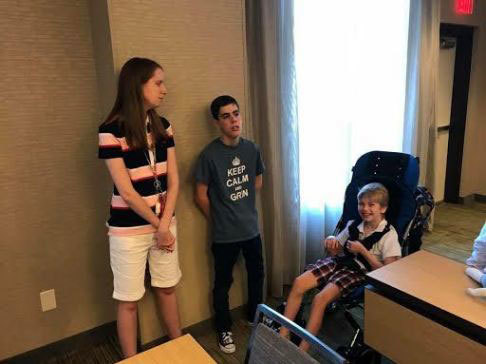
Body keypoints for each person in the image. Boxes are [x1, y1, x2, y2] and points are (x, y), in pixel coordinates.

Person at [98, 57, 182, 358]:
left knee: (167, 287)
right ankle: (131, 359)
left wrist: (164, 224)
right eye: (158, 83)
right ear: (137, 85)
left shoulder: (163, 126)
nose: (164, 90)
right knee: (128, 300)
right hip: (128, 229)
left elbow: (174, 182)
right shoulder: (111, 130)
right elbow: (127, 192)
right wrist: (159, 225)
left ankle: (179, 346)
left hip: (164, 222)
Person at [280, 182, 401, 351]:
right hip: (340, 262)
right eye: (361, 204)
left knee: (319, 299)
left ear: (383, 208)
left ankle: (303, 349)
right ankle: (283, 333)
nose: (365, 208)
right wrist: (330, 240)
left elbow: (389, 273)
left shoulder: (389, 235)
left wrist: (364, 251)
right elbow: (335, 249)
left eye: (371, 205)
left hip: (358, 272)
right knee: (299, 282)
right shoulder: (353, 224)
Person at [194, 95, 265, 354]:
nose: (234, 120)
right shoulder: (209, 155)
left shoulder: (252, 149)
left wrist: (242, 207)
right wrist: (220, 217)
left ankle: (254, 316)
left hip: (251, 229)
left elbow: (257, 181)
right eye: (226, 116)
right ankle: (224, 328)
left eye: (236, 113)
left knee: (257, 274)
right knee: (223, 283)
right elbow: (200, 195)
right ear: (217, 122)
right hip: (224, 234)